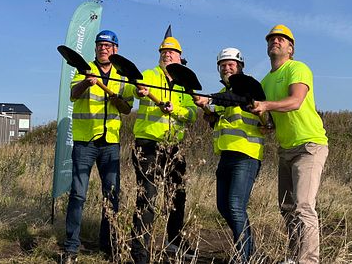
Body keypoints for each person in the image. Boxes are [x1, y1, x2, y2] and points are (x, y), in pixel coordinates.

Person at [249, 25, 328, 264]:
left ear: (290, 48)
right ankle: (294, 257)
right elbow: (271, 118)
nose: (276, 42)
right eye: (272, 39)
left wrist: (265, 106)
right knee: (286, 206)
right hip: (285, 149)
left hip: (309, 145)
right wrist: (266, 123)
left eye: (281, 39)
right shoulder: (265, 81)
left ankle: (308, 261)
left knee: (304, 206)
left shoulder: (298, 68)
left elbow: (295, 101)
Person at [61, 30, 135, 264]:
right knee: (78, 195)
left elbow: (126, 108)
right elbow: (73, 94)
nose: (103, 48)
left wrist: (118, 100)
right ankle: (71, 246)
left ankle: (108, 244)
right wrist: (85, 81)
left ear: (116, 49)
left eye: (108, 45)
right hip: (85, 143)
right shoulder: (84, 69)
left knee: (111, 196)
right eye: (100, 45)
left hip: (110, 143)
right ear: (95, 49)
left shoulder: (122, 76)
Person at [194, 48, 266, 263]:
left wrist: (210, 99)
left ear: (240, 66)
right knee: (223, 207)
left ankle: (243, 257)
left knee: (235, 206)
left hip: (246, 154)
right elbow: (218, 120)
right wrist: (206, 109)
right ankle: (248, 249)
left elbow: (234, 98)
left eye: (231, 64)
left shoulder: (248, 86)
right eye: (223, 65)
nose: (227, 68)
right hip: (226, 155)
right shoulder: (223, 94)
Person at [130, 35, 198, 264]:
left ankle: (175, 240)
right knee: (148, 196)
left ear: (180, 57)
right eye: (163, 52)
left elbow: (191, 114)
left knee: (177, 195)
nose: (166, 54)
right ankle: (140, 250)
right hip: (148, 144)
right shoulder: (149, 75)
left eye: (171, 52)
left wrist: (175, 109)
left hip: (174, 147)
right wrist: (139, 91)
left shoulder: (186, 83)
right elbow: (135, 89)